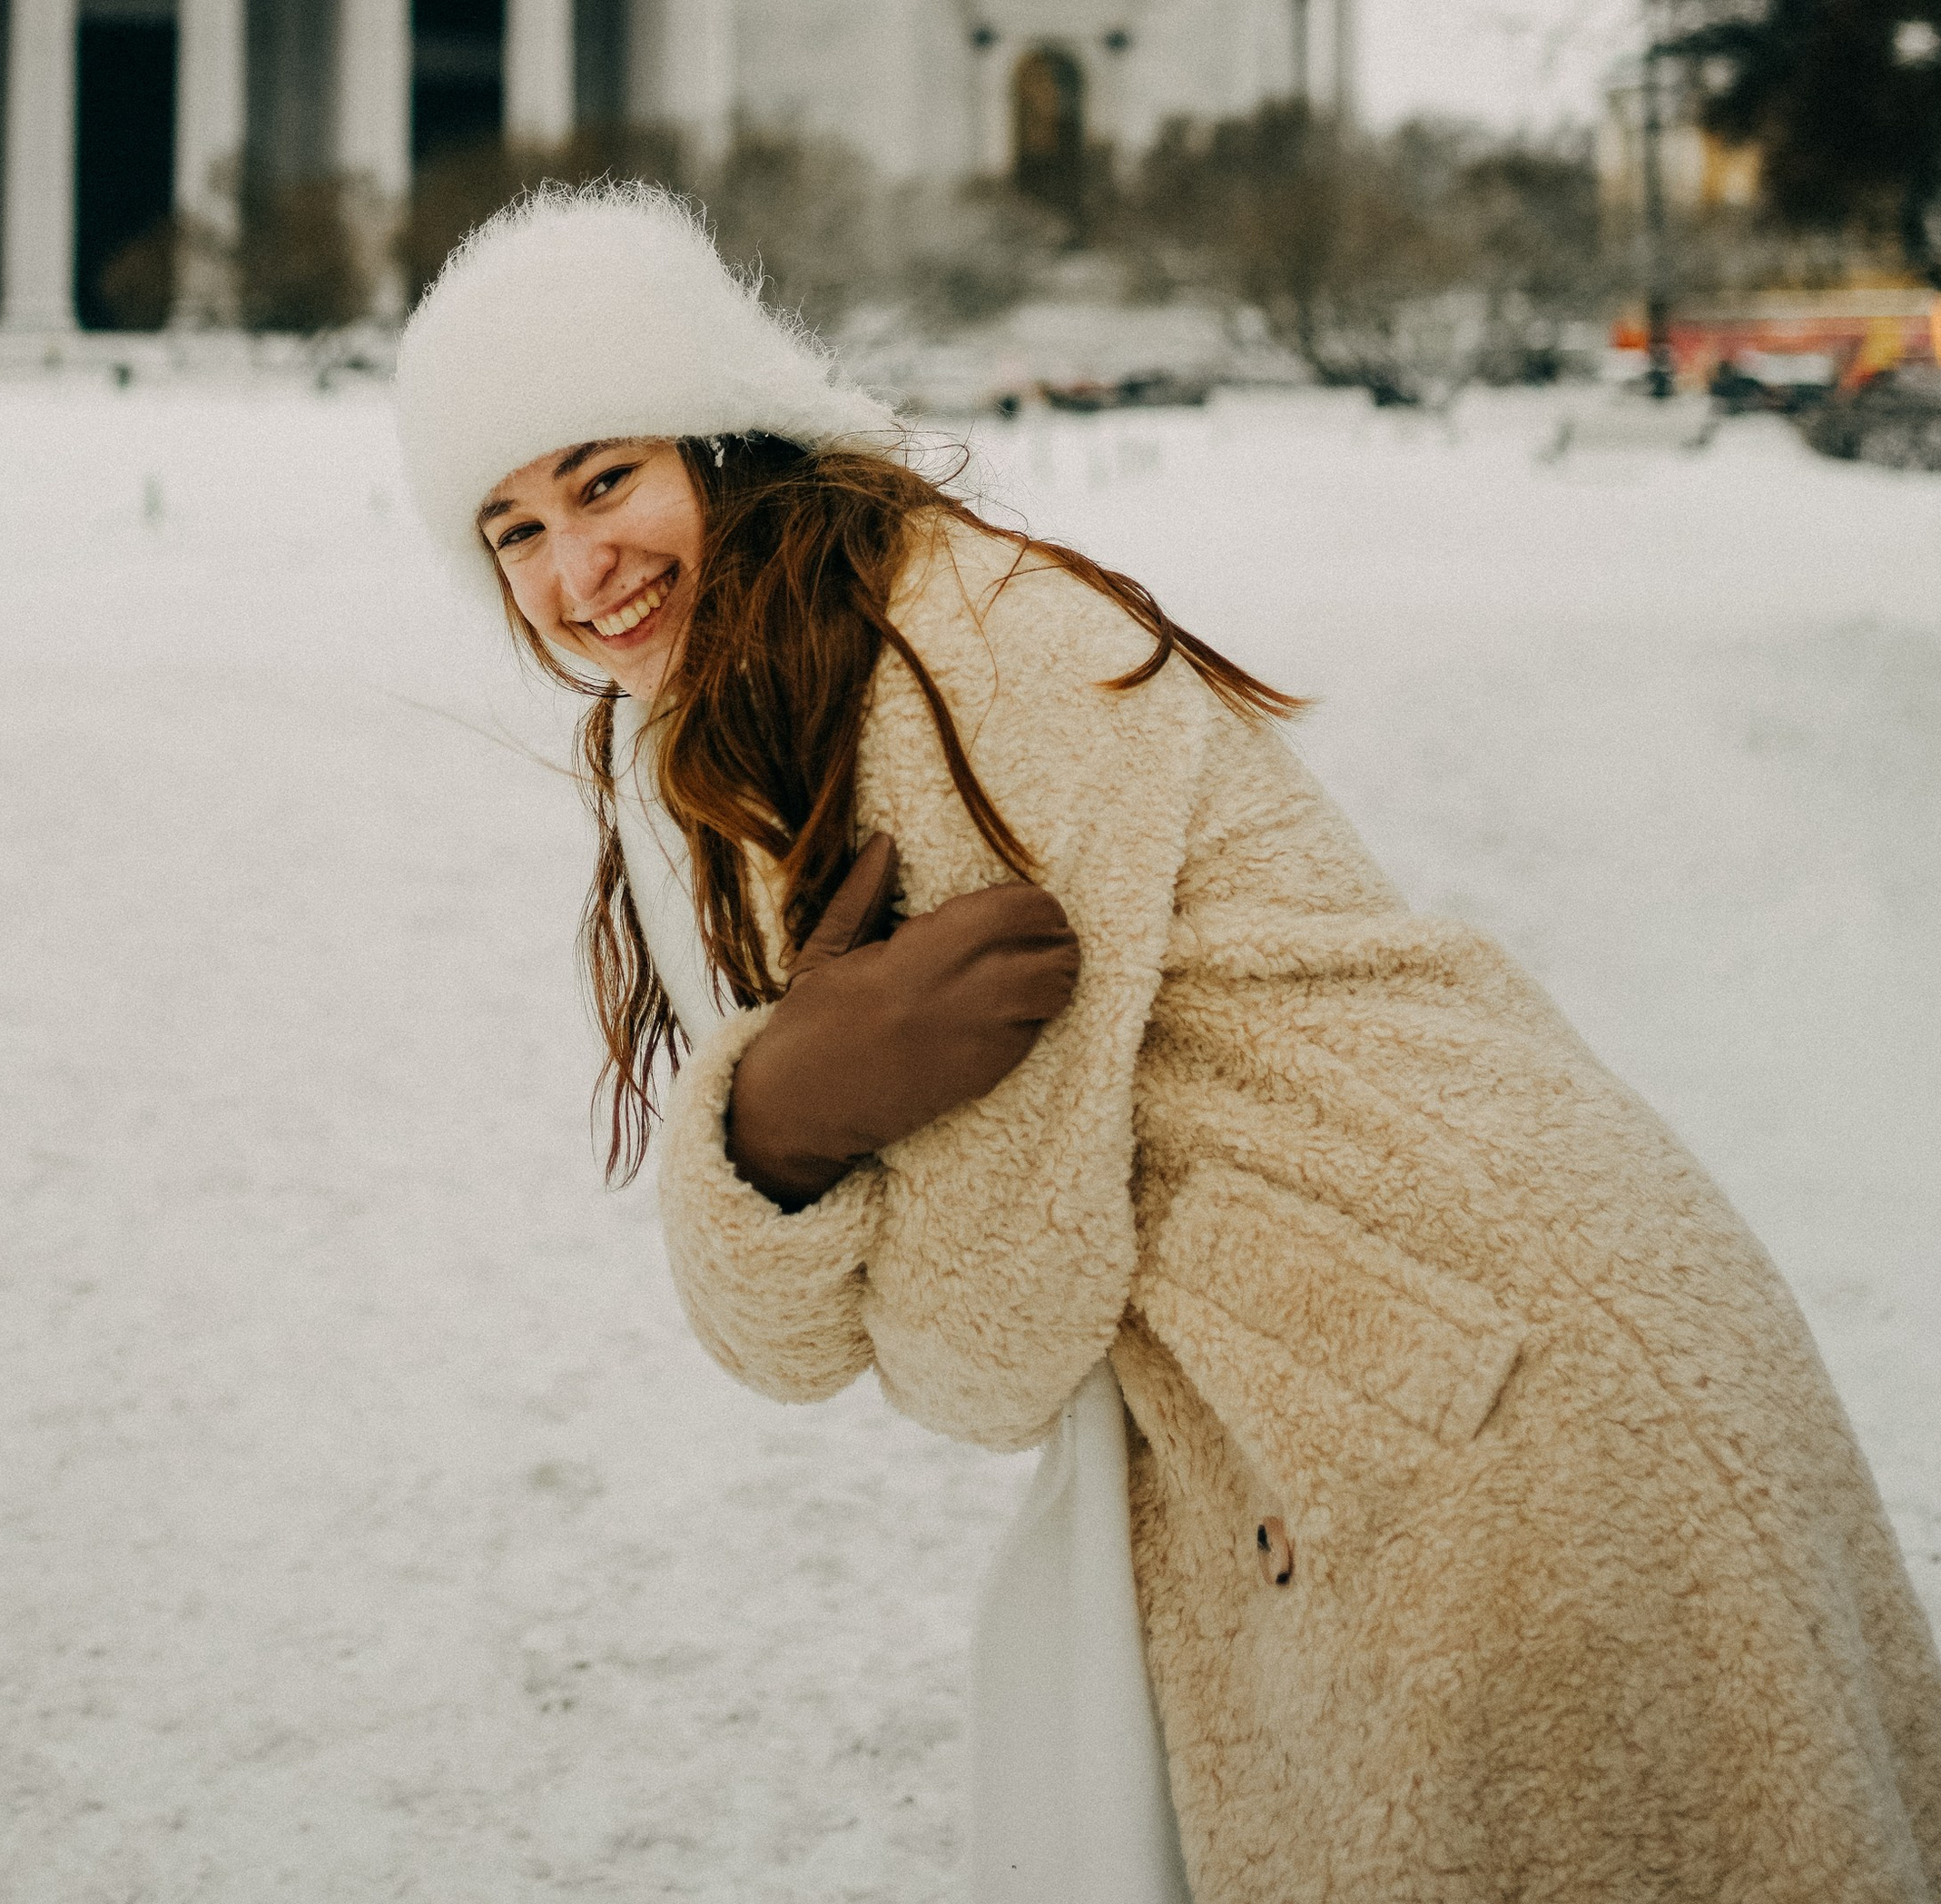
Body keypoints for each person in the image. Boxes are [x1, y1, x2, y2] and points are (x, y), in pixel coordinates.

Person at [394, 183, 1941, 1904]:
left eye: (605, 479)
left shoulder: (921, 659)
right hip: (1435, 1331)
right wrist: (770, 1129)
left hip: (1475, 1377)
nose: (575, 572)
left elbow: (999, 1336)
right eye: (512, 530)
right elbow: (824, 1330)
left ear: (726, 439)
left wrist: (787, 1151)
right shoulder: (763, 705)